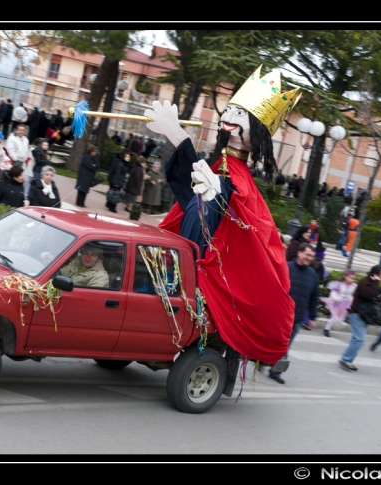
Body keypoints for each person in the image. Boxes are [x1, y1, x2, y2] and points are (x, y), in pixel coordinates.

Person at [143, 65, 303, 366]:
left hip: (200, 260)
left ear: (256, 136)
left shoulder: (236, 178)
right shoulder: (222, 166)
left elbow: (211, 196)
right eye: (229, 110)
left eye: (240, 115)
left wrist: (175, 132)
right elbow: (195, 190)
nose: (228, 117)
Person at [269, 243, 319, 384]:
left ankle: (275, 372)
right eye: (307, 254)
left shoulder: (313, 275)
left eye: (311, 256)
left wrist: (313, 318)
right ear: (299, 252)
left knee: (286, 346)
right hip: (279, 316)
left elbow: (314, 298)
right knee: (272, 341)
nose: (309, 258)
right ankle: (263, 361)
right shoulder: (286, 268)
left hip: (297, 318)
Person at [338, 265, 381, 371]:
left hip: (364, 315)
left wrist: (380, 299)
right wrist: (376, 283)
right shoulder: (365, 282)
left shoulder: (371, 282)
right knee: (359, 339)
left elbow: (373, 297)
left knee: (357, 339)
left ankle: (348, 360)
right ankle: (344, 359)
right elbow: (369, 295)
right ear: (375, 274)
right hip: (356, 314)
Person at [321, 270, 357, 337]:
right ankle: (326, 329)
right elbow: (333, 292)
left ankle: (329, 326)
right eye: (350, 278)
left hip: (346, 304)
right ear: (345, 277)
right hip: (338, 303)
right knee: (334, 317)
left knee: (341, 319)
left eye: (353, 278)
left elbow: (359, 291)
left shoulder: (354, 286)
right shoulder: (339, 284)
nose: (352, 280)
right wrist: (335, 297)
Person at [7, 123, 30, 196]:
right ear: (16, 130)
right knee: (13, 177)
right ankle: (9, 191)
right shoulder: (12, 138)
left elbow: (26, 150)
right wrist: (15, 159)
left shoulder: (26, 139)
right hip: (15, 161)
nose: (21, 131)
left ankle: (16, 192)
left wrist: (25, 159)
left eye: (23, 130)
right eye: (20, 130)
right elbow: (10, 150)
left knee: (19, 178)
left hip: (22, 161)